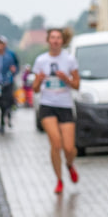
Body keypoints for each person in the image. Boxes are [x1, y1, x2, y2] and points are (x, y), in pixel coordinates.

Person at [32, 28, 80, 194]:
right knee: (56, 143)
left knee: (69, 147)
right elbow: (35, 89)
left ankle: (69, 164)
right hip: (47, 105)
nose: (55, 40)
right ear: (48, 40)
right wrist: (38, 80)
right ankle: (59, 180)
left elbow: (77, 85)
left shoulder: (69, 59)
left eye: (58, 38)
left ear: (62, 41)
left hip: (65, 105)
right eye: (52, 37)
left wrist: (66, 79)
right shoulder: (41, 60)